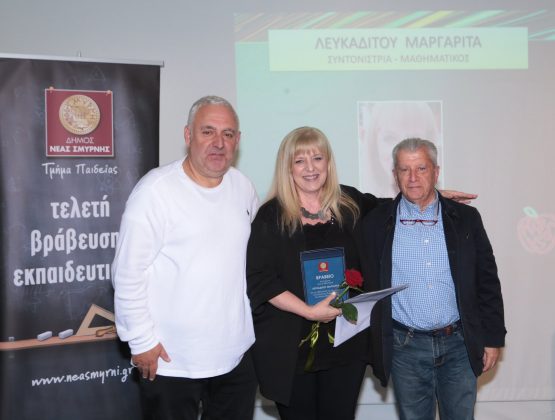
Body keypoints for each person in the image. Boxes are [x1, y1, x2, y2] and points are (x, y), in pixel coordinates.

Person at [246, 127, 475, 420]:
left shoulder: (349, 203)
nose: (310, 168)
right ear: (287, 168)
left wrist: (434, 195)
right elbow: (259, 279)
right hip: (292, 347)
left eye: (317, 158)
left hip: (346, 346)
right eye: (300, 161)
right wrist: (309, 311)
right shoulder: (271, 217)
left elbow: (391, 207)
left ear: (328, 163)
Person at [112, 95, 258, 420]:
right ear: (188, 135)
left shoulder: (243, 188)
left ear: (238, 140)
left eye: (228, 134)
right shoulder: (155, 192)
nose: (219, 143)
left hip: (234, 357)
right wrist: (140, 341)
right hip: (170, 361)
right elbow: (127, 273)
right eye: (208, 132)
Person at [361, 138, 506, 420]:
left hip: (459, 344)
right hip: (405, 348)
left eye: (421, 169)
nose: (413, 178)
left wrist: (493, 338)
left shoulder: (466, 218)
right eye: (404, 170)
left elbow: (487, 281)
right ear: (395, 175)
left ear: (436, 172)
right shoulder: (376, 223)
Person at [358, 101, 442, 198]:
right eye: (389, 138)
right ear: (374, 144)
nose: (399, 151)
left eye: (413, 140)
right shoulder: (366, 204)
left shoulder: (447, 205)